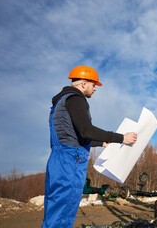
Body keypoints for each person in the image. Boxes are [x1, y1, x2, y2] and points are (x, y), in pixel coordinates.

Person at [41, 65, 137, 228]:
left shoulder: (59, 103)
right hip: (70, 163)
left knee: (54, 213)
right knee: (63, 216)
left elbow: (74, 135)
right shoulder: (76, 99)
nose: (95, 89)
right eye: (94, 85)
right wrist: (121, 138)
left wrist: (102, 142)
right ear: (83, 83)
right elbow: (86, 130)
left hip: (58, 161)